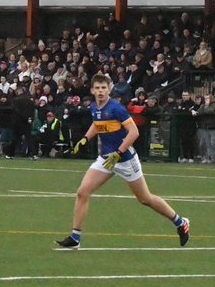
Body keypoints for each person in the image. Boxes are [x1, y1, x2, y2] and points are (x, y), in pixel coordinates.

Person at [56, 73, 189, 249]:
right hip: (106, 159)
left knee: (145, 199)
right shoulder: (95, 106)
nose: (101, 91)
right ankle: (75, 238)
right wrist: (85, 139)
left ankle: (180, 222)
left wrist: (118, 153)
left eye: (104, 88)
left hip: (125, 160)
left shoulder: (116, 108)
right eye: (97, 88)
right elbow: (97, 124)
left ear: (109, 89)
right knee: (82, 192)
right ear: (92, 90)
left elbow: (134, 132)